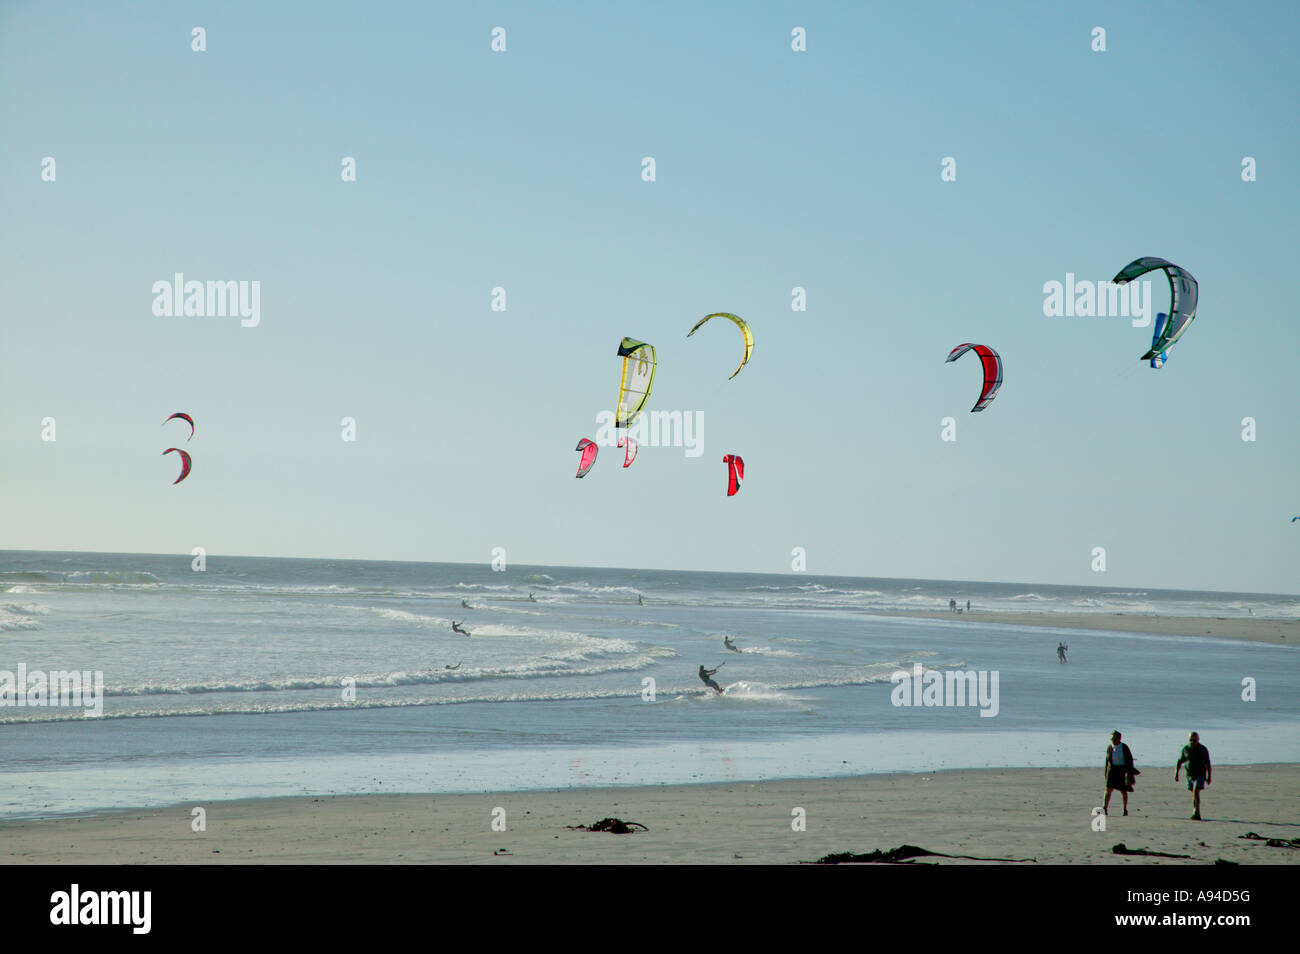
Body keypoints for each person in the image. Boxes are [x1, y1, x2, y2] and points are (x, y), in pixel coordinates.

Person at [1175, 731, 1212, 820]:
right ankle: (1195, 811)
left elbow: (1208, 763)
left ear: (1198, 740)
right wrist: (1176, 774)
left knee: (1196, 791)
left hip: (1200, 774)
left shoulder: (1203, 749)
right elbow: (1180, 761)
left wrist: (1209, 776)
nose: (1192, 742)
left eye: (1194, 740)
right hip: (1190, 775)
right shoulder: (1186, 749)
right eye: (1191, 740)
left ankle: (1196, 812)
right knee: (1194, 794)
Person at [1103, 730, 1137, 816]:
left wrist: (1129, 773)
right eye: (1111, 738)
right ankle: (1104, 808)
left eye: (1114, 738)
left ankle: (1124, 809)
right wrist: (1106, 772)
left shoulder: (1124, 747)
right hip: (1112, 770)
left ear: (1119, 738)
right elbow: (1107, 761)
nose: (1113, 740)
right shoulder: (1109, 747)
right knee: (1108, 790)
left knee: (1123, 791)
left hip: (1122, 770)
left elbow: (1130, 759)